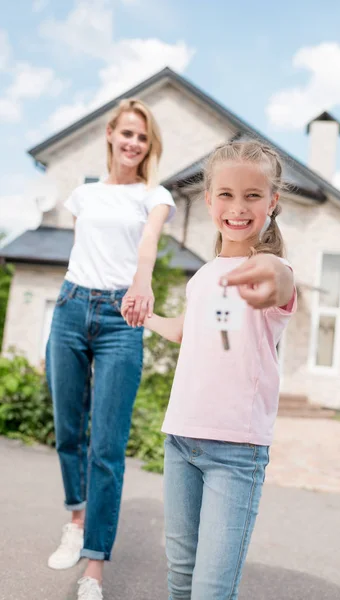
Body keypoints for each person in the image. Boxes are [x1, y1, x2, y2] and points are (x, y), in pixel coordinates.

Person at [122, 139, 297, 599]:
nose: (238, 207)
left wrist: (271, 283)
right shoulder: (203, 275)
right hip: (181, 440)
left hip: (236, 453)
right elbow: (187, 330)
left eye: (253, 196)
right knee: (180, 575)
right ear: (208, 200)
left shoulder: (270, 266)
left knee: (211, 590)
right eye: (226, 194)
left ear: (272, 202)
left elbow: (280, 283)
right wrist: (146, 317)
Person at [46, 98, 175, 600]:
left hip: (123, 319)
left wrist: (140, 284)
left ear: (149, 145)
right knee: (68, 428)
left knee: (108, 446)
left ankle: (95, 564)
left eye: (141, 137)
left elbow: (146, 247)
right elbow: (85, 251)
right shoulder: (84, 196)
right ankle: (76, 519)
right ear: (110, 135)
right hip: (72, 307)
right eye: (126, 133)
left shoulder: (155, 195)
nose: (132, 143)